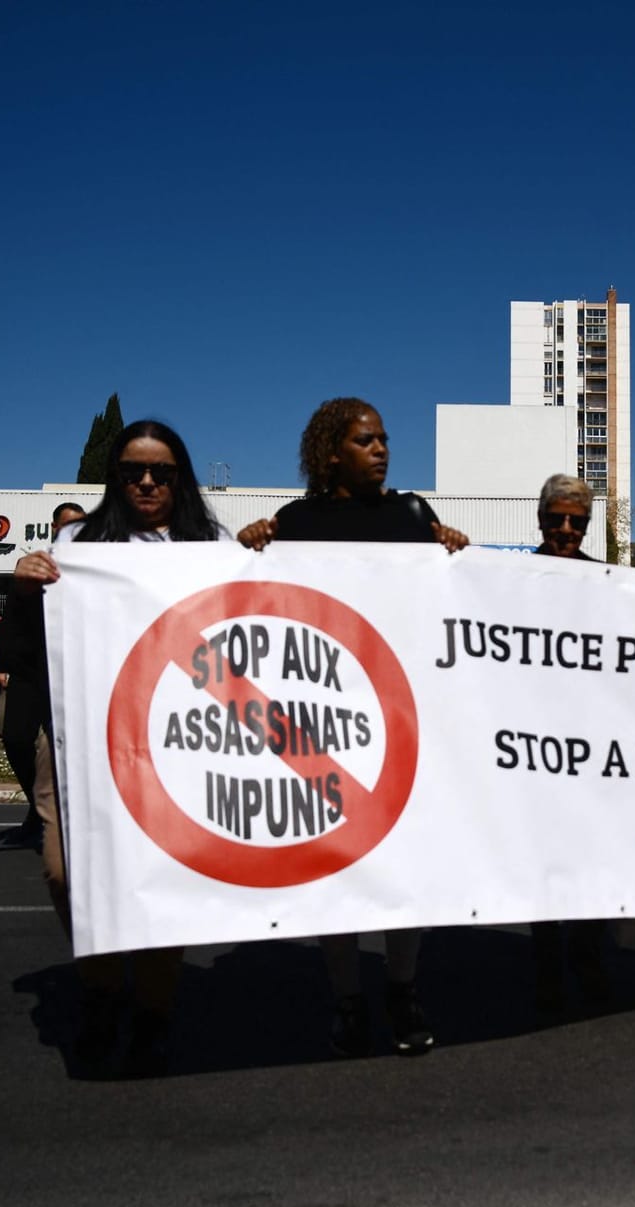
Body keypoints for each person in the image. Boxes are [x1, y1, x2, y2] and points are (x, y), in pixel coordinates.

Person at [239, 397, 467, 1057]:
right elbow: (253, 601)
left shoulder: (411, 514)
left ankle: (402, 987)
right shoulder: (295, 523)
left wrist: (451, 549)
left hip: (403, 711)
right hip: (325, 717)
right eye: (367, 440)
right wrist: (248, 549)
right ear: (331, 450)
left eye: (385, 440)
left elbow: (451, 598)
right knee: (336, 865)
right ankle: (346, 996)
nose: (383, 450)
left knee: (405, 863)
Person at [13, 422, 230, 1076]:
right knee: (65, 871)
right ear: (116, 476)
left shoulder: (210, 545)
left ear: (179, 477)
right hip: (80, 731)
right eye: (134, 470)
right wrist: (25, 587)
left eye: (161, 472)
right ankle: (104, 992)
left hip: (175, 739)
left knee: (160, 878)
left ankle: (154, 1014)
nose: (145, 482)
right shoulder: (79, 543)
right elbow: (36, 637)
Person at [526, 475, 609, 1014]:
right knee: (539, 859)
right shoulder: (510, 576)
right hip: (531, 742)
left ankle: (589, 961)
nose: (565, 529)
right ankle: (547, 969)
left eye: (576, 521)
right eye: (556, 519)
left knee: (592, 856)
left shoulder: (606, 580)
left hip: (592, 742)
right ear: (540, 520)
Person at [0, 501, 85, 846]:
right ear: (54, 528)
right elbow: (14, 618)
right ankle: (38, 805)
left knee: (64, 750)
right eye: (68, 526)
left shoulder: (93, 568)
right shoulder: (34, 566)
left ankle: (55, 817)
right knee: (16, 739)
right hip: (31, 672)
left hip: (71, 675)